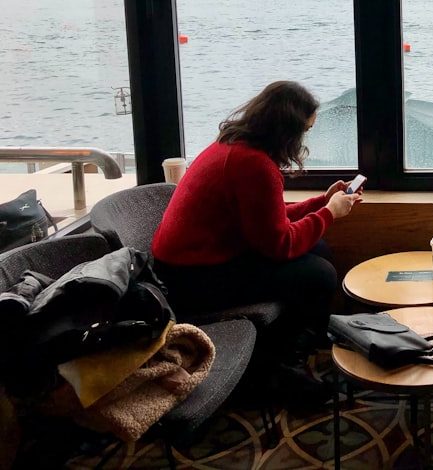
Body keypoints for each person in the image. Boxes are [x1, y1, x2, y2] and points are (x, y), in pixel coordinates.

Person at [151, 81, 362, 403]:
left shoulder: (231, 148)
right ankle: (274, 370)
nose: (304, 139)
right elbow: (278, 244)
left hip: (192, 264)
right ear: (287, 132)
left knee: (317, 249)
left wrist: (322, 203)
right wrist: (330, 214)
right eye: (303, 131)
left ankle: (299, 342)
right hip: (192, 280)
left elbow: (266, 218)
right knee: (318, 273)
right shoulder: (254, 166)